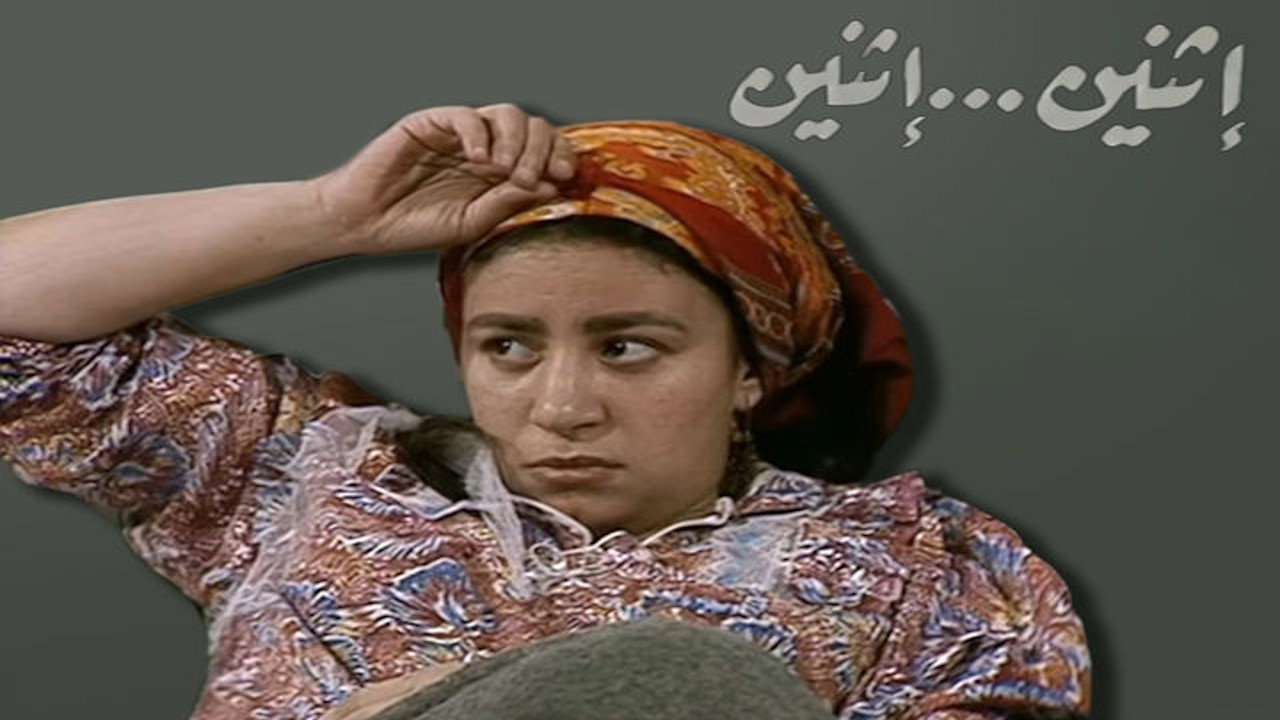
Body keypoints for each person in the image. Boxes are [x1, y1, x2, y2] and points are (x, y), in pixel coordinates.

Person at [0, 104, 1091, 719]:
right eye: (509, 348)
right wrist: (327, 213)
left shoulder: (913, 572)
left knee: (691, 680)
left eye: (628, 347)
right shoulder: (296, 473)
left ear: (749, 370)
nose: (562, 407)